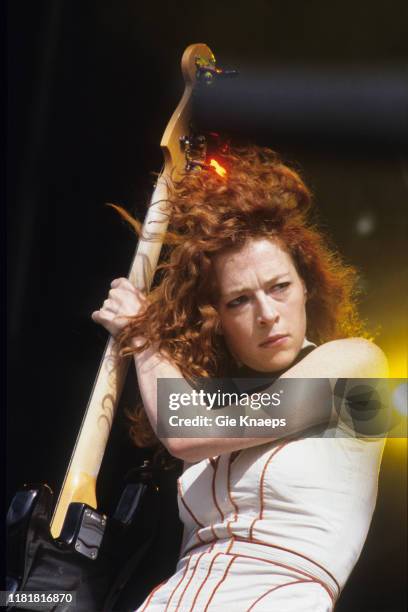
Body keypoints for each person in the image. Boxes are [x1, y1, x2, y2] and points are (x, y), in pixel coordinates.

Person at [92, 145, 388, 611]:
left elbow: (188, 433)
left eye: (279, 287)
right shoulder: (209, 396)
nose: (268, 314)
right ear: (217, 317)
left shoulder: (356, 364)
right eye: (239, 301)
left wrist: (143, 336)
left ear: (306, 285)